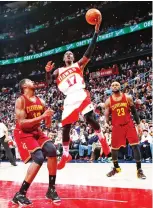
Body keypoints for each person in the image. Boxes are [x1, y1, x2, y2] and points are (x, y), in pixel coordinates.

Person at [45, 16, 111, 170]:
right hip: (68, 99)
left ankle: (103, 141)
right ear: (63, 58)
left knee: (89, 118)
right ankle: (66, 154)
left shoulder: (78, 65)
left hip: (80, 93)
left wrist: (96, 33)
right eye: (66, 54)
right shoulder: (58, 70)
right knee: (66, 128)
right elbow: (48, 83)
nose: (69, 55)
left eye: (71, 54)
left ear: (73, 58)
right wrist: (47, 73)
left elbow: (90, 51)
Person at [12, 79, 60, 206]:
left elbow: (48, 124)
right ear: (24, 86)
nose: (33, 81)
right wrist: (42, 116)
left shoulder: (41, 101)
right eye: (29, 81)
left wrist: (48, 116)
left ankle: (51, 189)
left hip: (37, 131)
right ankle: (20, 194)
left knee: (52, 151)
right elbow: (22, 123)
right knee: (38, 157)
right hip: (23, 133)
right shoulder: (21, 100)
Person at [105, 81, 146, 179]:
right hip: (117, 126)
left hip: (128, 124)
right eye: (113, 85)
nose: (115, 86)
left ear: (120, 87)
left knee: (135, 145)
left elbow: (134, 112)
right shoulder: (108, 101)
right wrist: (109, 123)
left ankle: (139, 170)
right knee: (114, 149)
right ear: (111, 88)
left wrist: (139, 124)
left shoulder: (127, 97)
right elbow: (106, 116)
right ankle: (116, 168)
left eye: (117, 85)